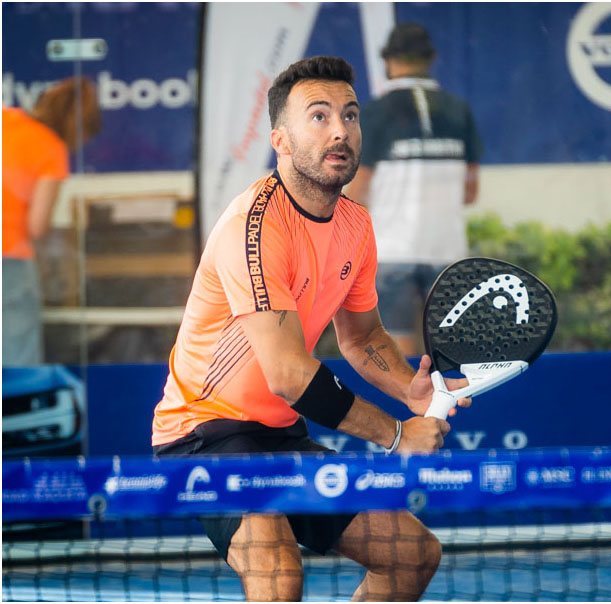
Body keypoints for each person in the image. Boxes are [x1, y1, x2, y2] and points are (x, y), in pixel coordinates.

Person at [152, 56, 469, 602]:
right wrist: (397, 435)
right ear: (280, 139)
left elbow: (362, 337)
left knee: (412, 556)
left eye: (350, 115)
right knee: (278, 577)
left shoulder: (356, 224)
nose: (340, 130)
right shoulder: (254, 227)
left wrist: (408, 389)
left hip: (278, 433)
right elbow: (288, 375)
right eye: (319, 116)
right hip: (203, 432)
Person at [344, 23, 483, 356]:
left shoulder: (375, 113)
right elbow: (470, 193)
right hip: (447, 251)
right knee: (450, 352)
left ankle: (408, 392)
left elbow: (357, 191)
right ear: (431, 60)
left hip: (392, 252)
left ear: (388, 62)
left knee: (398, 352)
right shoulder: (458, 109)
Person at [2, 77, 101, 367]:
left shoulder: (6, 119)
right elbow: (36, 226)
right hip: (8, 258)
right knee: (16, 356)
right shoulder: (51, 149)